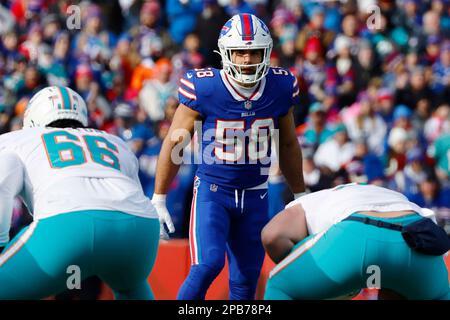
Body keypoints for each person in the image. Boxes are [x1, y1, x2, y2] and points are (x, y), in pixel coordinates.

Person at [151, 14, 305, 300]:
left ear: (267, 52)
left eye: (254, 52)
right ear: (225, 53)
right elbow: (175, 143)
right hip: (213, 192)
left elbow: (287, 143)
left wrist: (300, 193)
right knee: (207, 264)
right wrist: (159, 196)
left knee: (245, 281)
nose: (247, 59)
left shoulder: (280, 87)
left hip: (256, 194)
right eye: (240, 52)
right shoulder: (205, 87)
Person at [0, 86, 160, 300]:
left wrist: (1, 241)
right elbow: (133, 191)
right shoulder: (116, 141)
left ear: (32, 117)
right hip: (139, 229)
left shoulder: (17, 139)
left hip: (67, 225)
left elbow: (3, 184)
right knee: (130, 288)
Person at [262, 183, 450, 300]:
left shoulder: (310, 202)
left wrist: (300, 272)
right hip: (418, 239)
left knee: (279, 286)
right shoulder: (391, 194)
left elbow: (271, 236)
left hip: (357, 233)